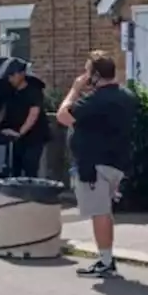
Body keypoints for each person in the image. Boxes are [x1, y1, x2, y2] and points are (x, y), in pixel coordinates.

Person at [56, 53, 138, 279]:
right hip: (117, 160)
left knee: (99, 213)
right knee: (105, 211)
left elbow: (63, 116)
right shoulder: (126, 95)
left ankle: (105, 261)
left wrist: (74, 89)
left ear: (95, 75)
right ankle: (106, 257)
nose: (84, 76)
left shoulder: (97, 100)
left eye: (87, 72)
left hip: (95, 163)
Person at [0, 61, 50, 177]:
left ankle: (30, 193)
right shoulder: (10, 91)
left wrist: (19, 133)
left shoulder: (33, 91)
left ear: (22, 74)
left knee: (30, 168)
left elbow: (33, 114)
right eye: (9, 76)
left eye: (13, 75)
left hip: (34, 137)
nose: (10, 79)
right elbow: (3, 112)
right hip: (16, 137)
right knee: (14, 169)